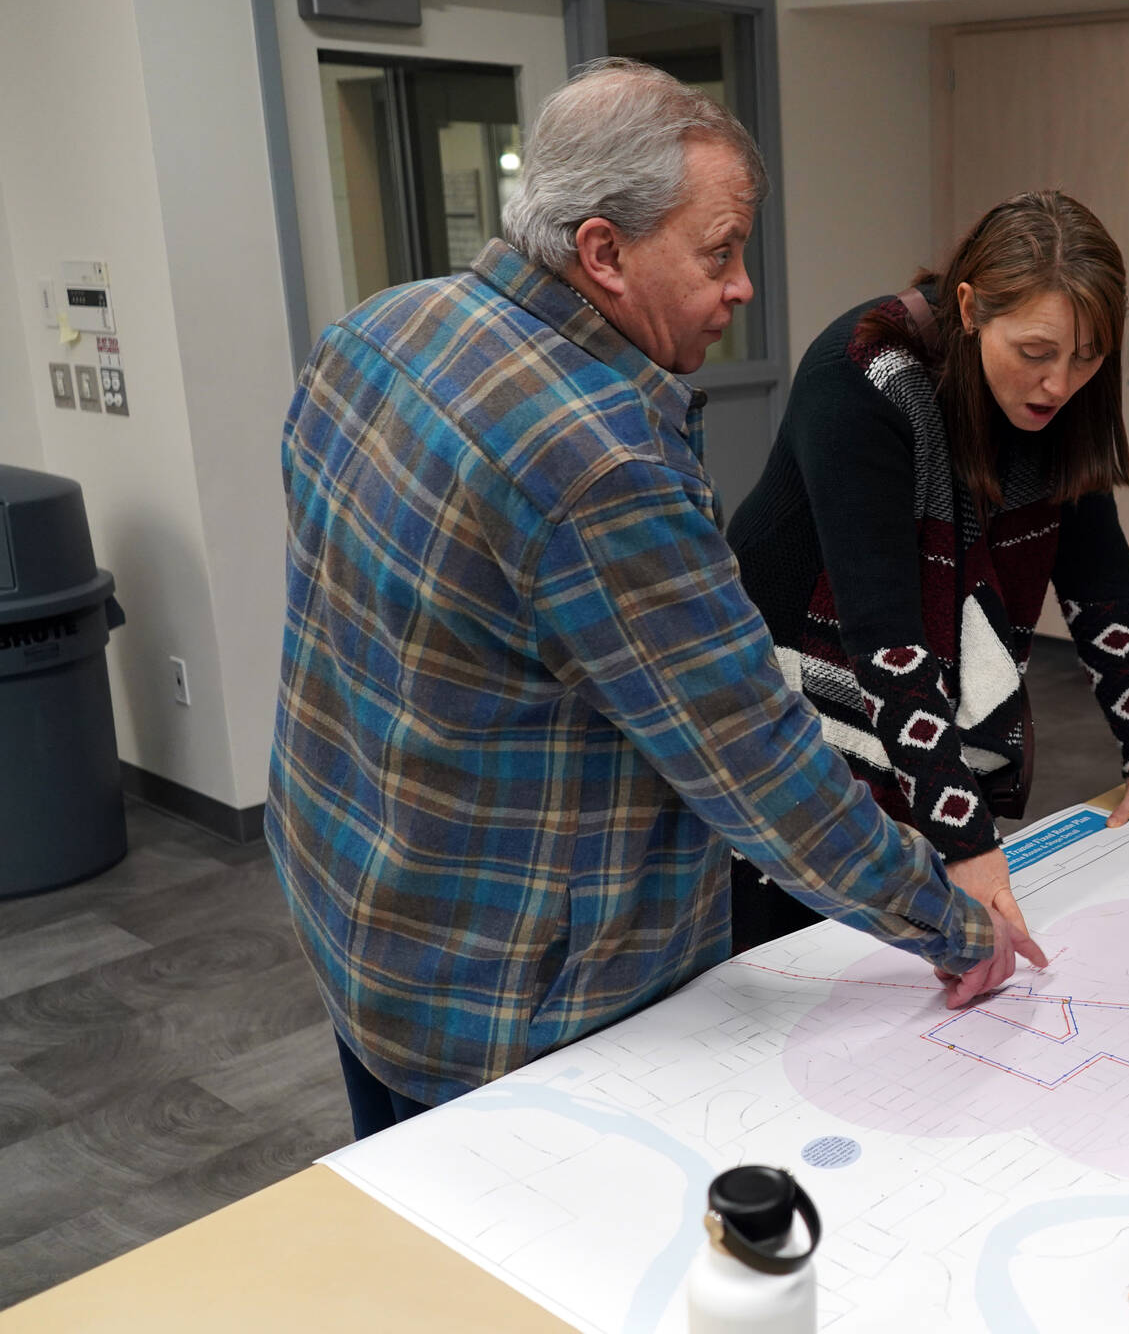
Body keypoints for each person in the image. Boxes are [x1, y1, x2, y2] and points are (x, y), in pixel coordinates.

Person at [268, 59, 1043, 1141]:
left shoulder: (378, 329)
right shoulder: (598, 461)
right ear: (602, 252)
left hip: (359, 920)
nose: (743, 288)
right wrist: (949, 925)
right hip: (511, 1005)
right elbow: (753, 760)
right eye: (717, 253)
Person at [725, 191, 1129, 950]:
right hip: (798, 674)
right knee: (805, 941)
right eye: (1035, 353)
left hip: (901, 667)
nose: (1059, 384)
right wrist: (970, 844)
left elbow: (1101, 584)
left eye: (1087, 357)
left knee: (921, 938)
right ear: (969, 308)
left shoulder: (1061, 399)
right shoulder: (862, 375)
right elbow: (885, 639)